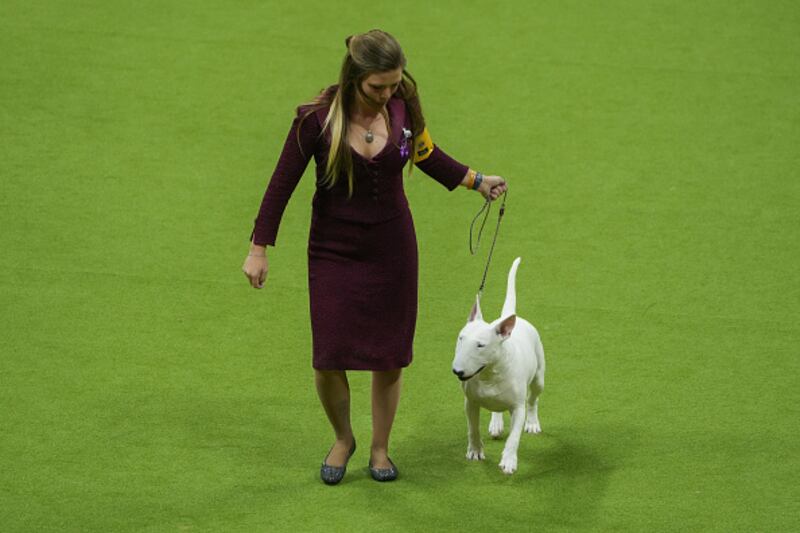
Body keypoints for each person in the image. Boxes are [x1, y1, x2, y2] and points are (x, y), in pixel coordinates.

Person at [242, 29, 507, 485]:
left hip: (392, 248)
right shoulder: (317, 120)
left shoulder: (404, 104)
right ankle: (344, 439)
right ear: (354, 78)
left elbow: (423, 153)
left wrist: (474, 179)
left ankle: (381, 449)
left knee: (389, 356)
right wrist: (258, 247)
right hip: (332, 250)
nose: (387, 94)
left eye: (394, 84)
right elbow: (281, 182)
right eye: (377, 87)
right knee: (328, 356)